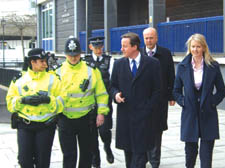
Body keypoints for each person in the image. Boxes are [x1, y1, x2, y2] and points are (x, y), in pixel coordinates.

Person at [56, 36, 109, 168]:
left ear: (81, 54)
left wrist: (101, 113)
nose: (73, 58)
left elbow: (101, 93)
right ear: (65, 54)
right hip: (65, 118)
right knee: (69, 154)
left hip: (87, 119)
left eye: (76, 55)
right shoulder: (57, 71)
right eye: (70, 55)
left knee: (87, 153)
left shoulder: (91, 69)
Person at [173, 33, 225, 168]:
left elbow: (221, 90)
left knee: (206, 156)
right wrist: (183, 102)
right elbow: (176, 90)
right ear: (189, 48)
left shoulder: (213, 65)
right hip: (190, 114)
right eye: (193, 47)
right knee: (190, 155)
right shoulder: (182, 66)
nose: (195, 50)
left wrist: (212, 102)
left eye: (198, 46)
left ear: (204, 48)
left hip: (208, 114)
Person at [6, 48, 64, 168]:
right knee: (24, 160)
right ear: (32, 62)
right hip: (25, 125)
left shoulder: (54, 79)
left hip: (46, 126)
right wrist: (22, 100)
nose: (45, 64)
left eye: (45, 61)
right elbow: (10, 103)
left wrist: (48, 100)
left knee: (42, 162)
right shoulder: (19, 80)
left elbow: (62, 103)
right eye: (42, 61)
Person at [111, 32, 161, 168]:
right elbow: (112, 86)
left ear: (134, 47)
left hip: (144, 118)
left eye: (124, 46)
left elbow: (158, 90)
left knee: (140, 155)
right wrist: (115, 95)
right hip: (126, 117)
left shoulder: (152, 64)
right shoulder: (118, 64)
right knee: (129, 155)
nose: (122, 49)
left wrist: (148, 107)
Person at [141, 27, 175, 168]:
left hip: (159, 100)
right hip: (142, 101)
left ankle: (155, 161)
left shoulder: (165, 54)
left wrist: (171, 95)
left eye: (151, 38)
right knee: (142, 129)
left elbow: (171, 76)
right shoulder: (138, 54)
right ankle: (143, 158)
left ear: (156, 38)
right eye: (146, 38)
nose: (149, 41)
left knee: (156, 130)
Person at [84, 36, 114, 168]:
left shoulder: (109, 60)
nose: (98, 50)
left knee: (104, 131)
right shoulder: (85, 61)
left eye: (100, 47)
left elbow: (112, 80)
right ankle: (96, 162)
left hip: (104, 102)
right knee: (91, 136)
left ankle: (107, 147)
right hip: (89, 104)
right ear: (91, 47)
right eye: (95, 48)